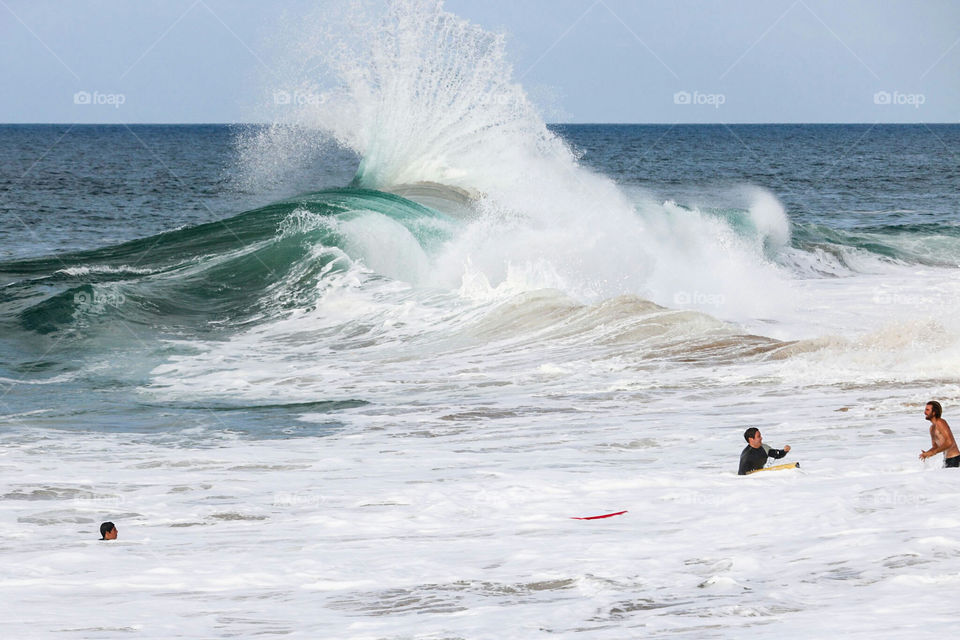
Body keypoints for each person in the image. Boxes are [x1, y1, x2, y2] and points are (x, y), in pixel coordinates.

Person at [919, 401, 959, 467]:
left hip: (955, 459)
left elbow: (949, 442)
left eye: (927, 410)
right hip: (947, 460)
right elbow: (936, 447)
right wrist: (927, 453)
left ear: (934, 412)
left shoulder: (940, 422)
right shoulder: (932, 428)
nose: (925, 412)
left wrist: (933, 452)